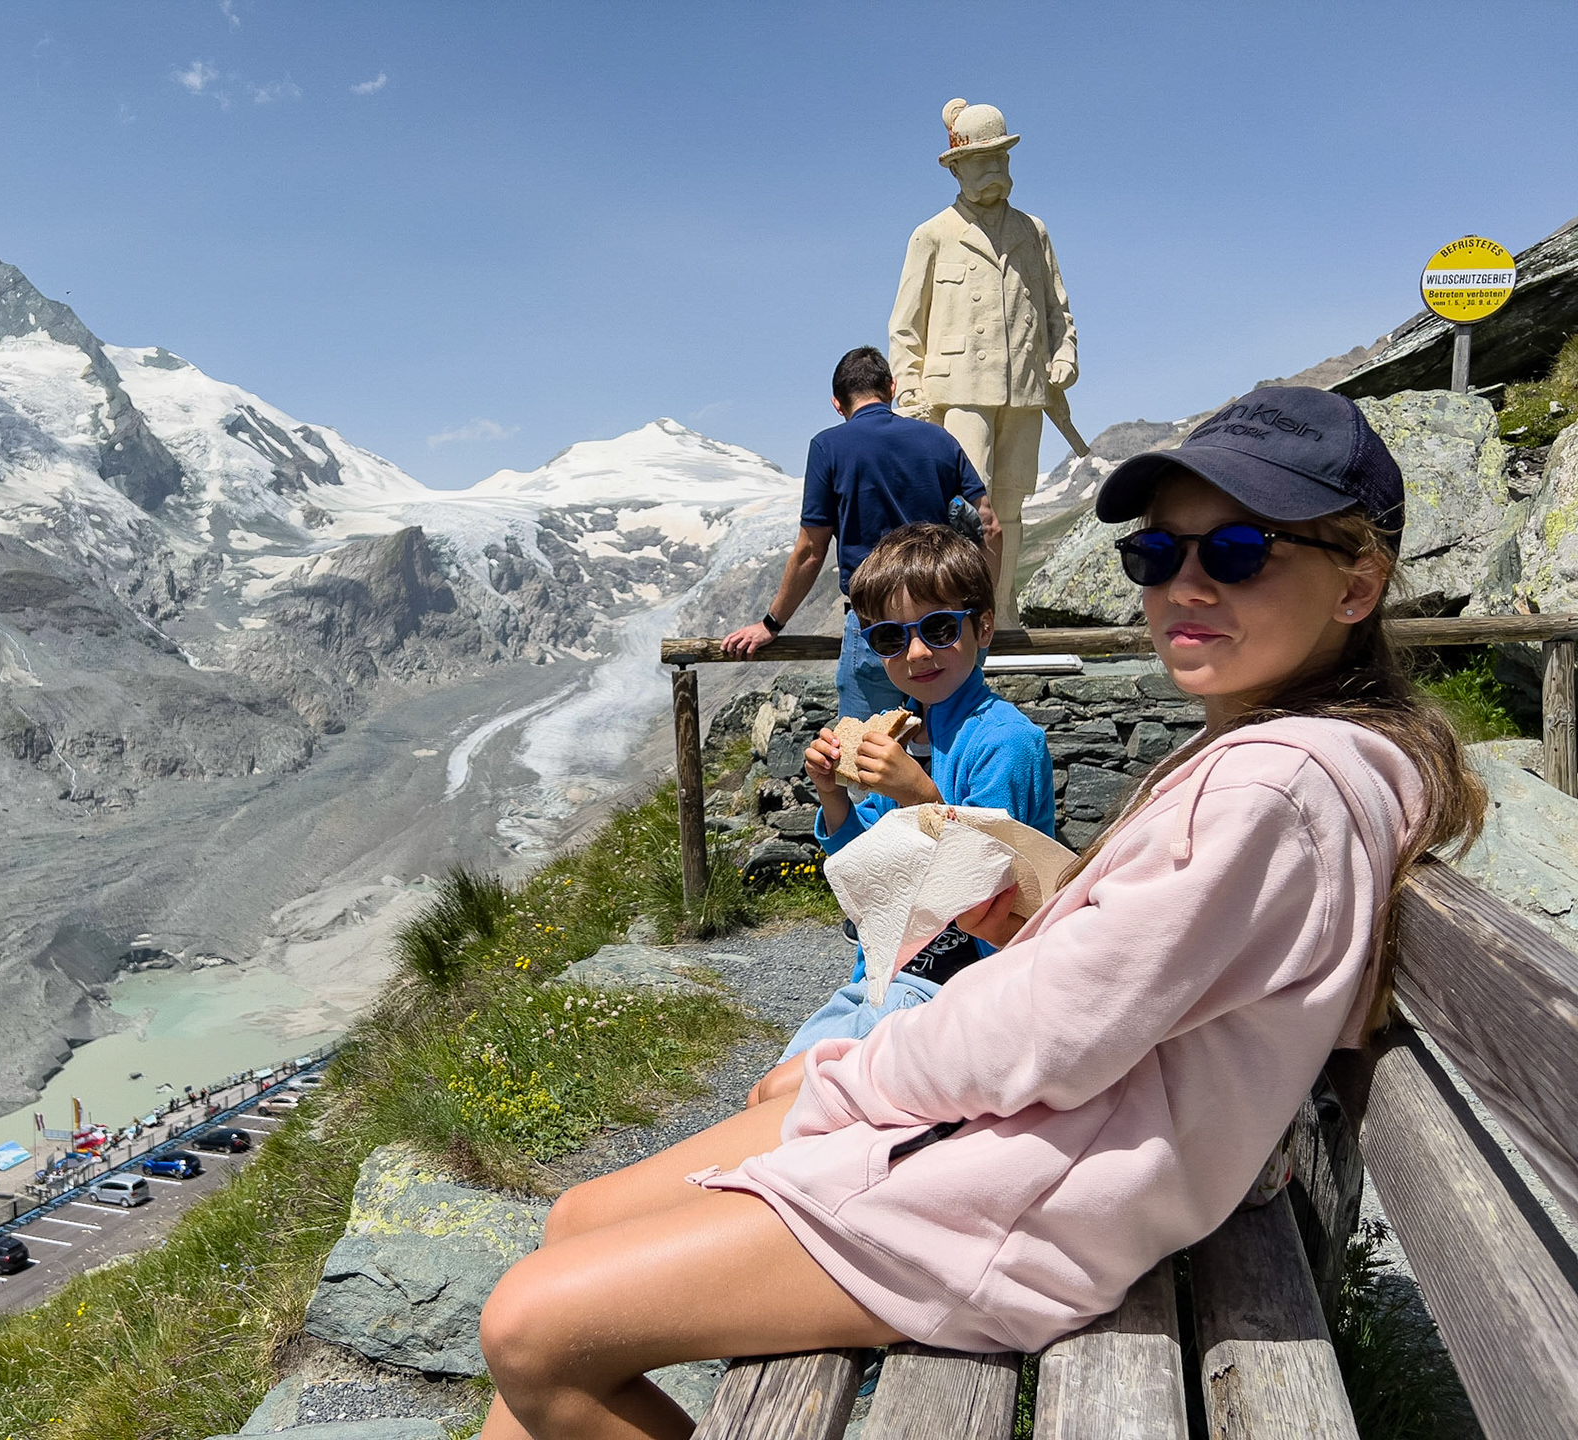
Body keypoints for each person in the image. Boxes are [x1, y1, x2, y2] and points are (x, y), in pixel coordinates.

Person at [473, 386, 1485, 1440]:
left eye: (1238, 551)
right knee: (573, 1222)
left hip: (1025, 1195)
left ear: (1358, 584)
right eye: (1158, 554)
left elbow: (1053, 1028)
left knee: (531, 1328)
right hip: (1024, 1138)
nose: (1185, 583)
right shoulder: (1306, 756)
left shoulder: (1273, 787)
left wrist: (848, 1076)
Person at [750, 523, 1053, 1089]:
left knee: (781, 1099)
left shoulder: (1003, 742)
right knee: (768, 1092)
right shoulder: (911, 730)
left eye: (938, 628)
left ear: (982, 626)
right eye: (890, 638)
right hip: (885, 973)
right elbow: (872, 862)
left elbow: (994, 888)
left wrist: (921, 795)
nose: (916, 653)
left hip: (958, 985)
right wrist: (834, 796)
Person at [722, 346, 999, 718]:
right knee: (954, 743)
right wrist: (981, 610)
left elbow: (810, 551)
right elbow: (990, 527)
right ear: (892, 388)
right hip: (943, 623)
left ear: (838, 404)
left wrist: (771, 624)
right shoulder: (939, 440)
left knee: (865, 753)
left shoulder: (828, 447)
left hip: (876, 624)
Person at [889, 100, 1079, 623]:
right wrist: (910, 389)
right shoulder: (932, 234)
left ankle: (1005, 611)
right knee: (966, 508)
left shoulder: (1033, 231)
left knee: (1013, 501)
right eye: (983, 162)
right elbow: (905, 325)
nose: (995, 171)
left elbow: (1057, 309)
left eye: (1002, 160)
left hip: (1024, 386)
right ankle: (959, 612)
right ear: (956, 166)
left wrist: (1065, 355)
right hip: (957, 391)